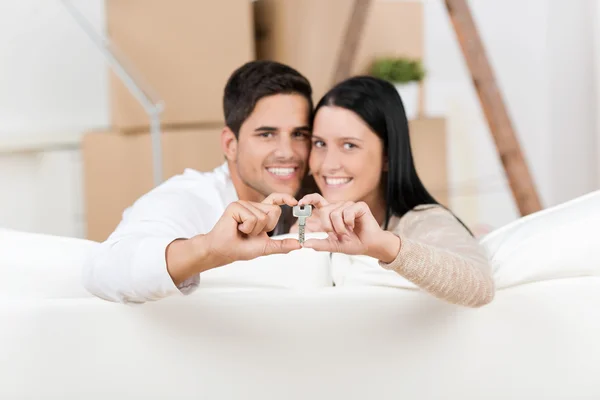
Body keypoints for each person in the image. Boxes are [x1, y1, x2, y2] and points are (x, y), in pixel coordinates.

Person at [83, 60, 314, 304]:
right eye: (267, 134)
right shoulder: (188, 198)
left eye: (299, 134)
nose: (288, 152)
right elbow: (103, 270)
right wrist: (209, 248)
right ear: (230, 144)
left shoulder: (305, 206)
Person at [293, 76, 495, 308]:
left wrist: (382, 245)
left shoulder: (423, 220)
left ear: (388, 156)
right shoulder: (305, 220)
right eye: (319, 144)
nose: (328, 164)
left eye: (349, 145)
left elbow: (480, 288)